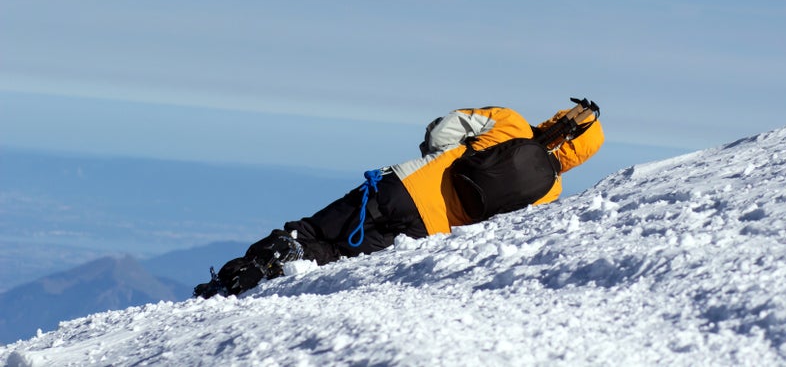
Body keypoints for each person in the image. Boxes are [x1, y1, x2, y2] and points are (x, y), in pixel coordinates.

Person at [195, 100, 603, 298]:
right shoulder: (551, 192)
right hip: (426, 232)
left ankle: (234, 279)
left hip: (401, 189)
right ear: (579, 156)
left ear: (560, 120)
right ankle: (257, 288)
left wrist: (438, 163)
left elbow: (441, 132)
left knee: (309, 232)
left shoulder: (510, 122)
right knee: (332, 256)